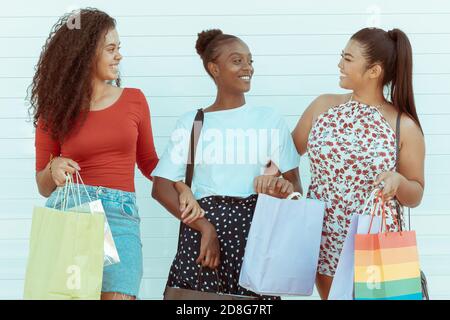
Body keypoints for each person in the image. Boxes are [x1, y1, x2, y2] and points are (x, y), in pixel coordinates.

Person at [151, 29, 302, 299]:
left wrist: (279, 187)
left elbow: (294, 190)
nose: (248, 68)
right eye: (237, 61)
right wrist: (204, 227)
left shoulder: (270, 120)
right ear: (214, 68)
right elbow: (161, 188)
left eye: (250, 60)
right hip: (202, 239)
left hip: (256, 240)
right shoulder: (194, 123)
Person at [31, 8, 161, 300]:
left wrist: (188, 179)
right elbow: (42, 185)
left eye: (119, 48)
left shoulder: (134, 100)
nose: (119, 56)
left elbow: (150, 163)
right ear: (85, 53)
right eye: (111, 49)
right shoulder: (54, 112)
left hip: (121, 216)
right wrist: (53, 170)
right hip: (73, 214)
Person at [292, 27, 425, 299]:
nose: (340, 64)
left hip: (376, 243)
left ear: (374, 71)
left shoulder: (404, 126)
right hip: (325, 236)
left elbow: (416, 194)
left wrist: (398, 182)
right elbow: (286, 157)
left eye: (348, 58)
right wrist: (294, 195)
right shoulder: (322, 107)